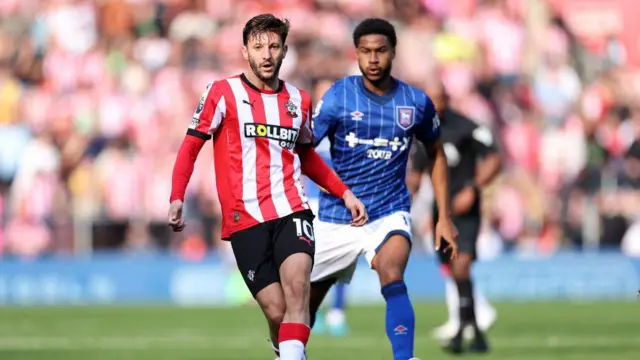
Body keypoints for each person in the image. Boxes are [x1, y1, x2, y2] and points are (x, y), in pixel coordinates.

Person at [167, 14, 368, 360]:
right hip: (244, 217)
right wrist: (176, 197)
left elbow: (307, 156)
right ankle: (285, 351)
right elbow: (190, 146)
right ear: (245, 51)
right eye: (259, 47)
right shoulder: (222, 93)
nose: (267, 54)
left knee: (297, 289)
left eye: (274, 46)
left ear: (285, 51)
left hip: (292, 208)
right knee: (277, 312)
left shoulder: (298, 100)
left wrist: (345, 193)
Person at [308, 18, 459, 360]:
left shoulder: (415, 102)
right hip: (337, 215)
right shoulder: (338, 96)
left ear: (393, 52)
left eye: (380, 51)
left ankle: (405, 358)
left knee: (391, 272)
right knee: (305, 300)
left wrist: (443, 218)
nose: (373, 59)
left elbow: (436, 155)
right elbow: (304, 148)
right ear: (356, 54)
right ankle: (287, 351)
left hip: (389, 211)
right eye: (365, 52)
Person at [408, 85, 502, 353]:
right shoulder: (423, 134)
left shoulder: (467, 127)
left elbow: (494, 159)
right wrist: (405, 199)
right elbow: (416, 174)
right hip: (441, 213)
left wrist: (473, 188)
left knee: (461, 267)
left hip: (466, 212)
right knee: (454, 271)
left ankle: (462, 331)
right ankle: (476, 334)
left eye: (437, 100)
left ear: (447, 100)